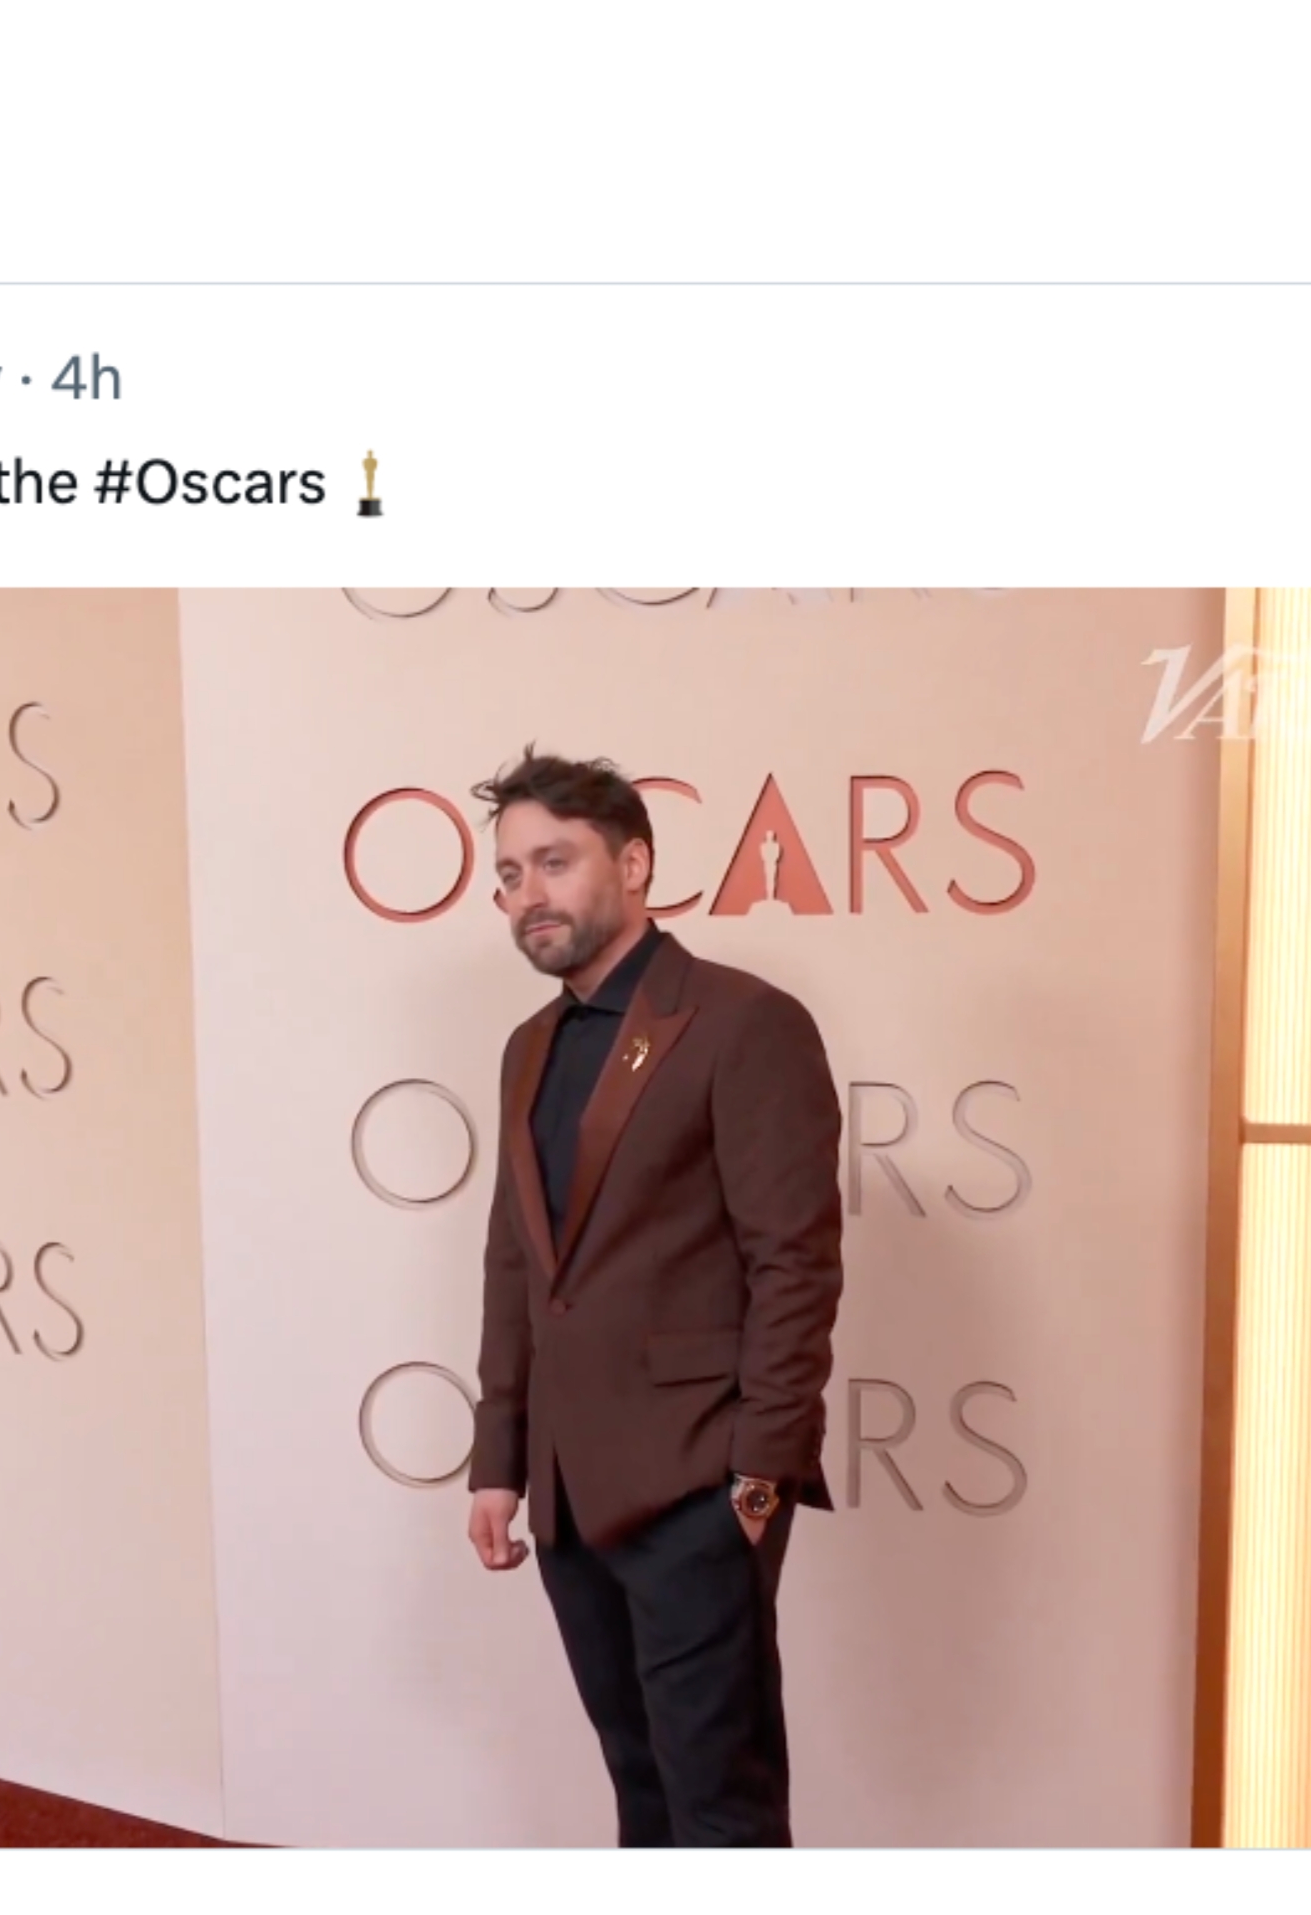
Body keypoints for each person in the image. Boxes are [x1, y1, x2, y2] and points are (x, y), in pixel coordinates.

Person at [464, 746, 844, 1847]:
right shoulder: (526, 1047)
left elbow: (795, 1262)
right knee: (638, 1788)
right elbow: (513, 1262)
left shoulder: (741, 1021)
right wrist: (499, 1459)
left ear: (633, 864)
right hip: (567, 1494)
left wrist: (757, 1480)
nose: (528, 893)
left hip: (696, 1483)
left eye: (554, 861)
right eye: (508, 873)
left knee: (718, 1801)